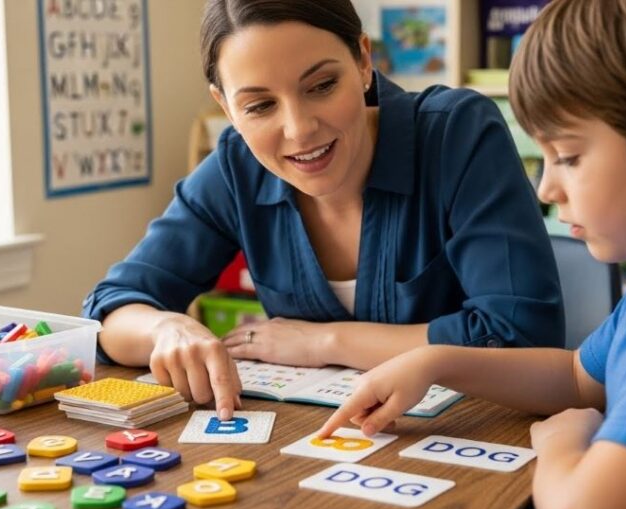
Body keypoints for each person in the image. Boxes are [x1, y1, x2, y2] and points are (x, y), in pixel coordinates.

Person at [318, 1, 626, 509]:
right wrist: (435, 361)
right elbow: (578, 377)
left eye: (566, 157)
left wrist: (564, 440)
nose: (546, 189)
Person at [82, 0, 564, 421]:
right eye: (259, 106)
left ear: (362, 61)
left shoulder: (456, 135)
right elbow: (109, 312)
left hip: (473, 444)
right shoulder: (235, 167)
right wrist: (167, 326)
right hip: (317, 450)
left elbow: (521, 338)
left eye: (321, 85)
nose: (299, 129)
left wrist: (323, 342)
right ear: (227, 108)